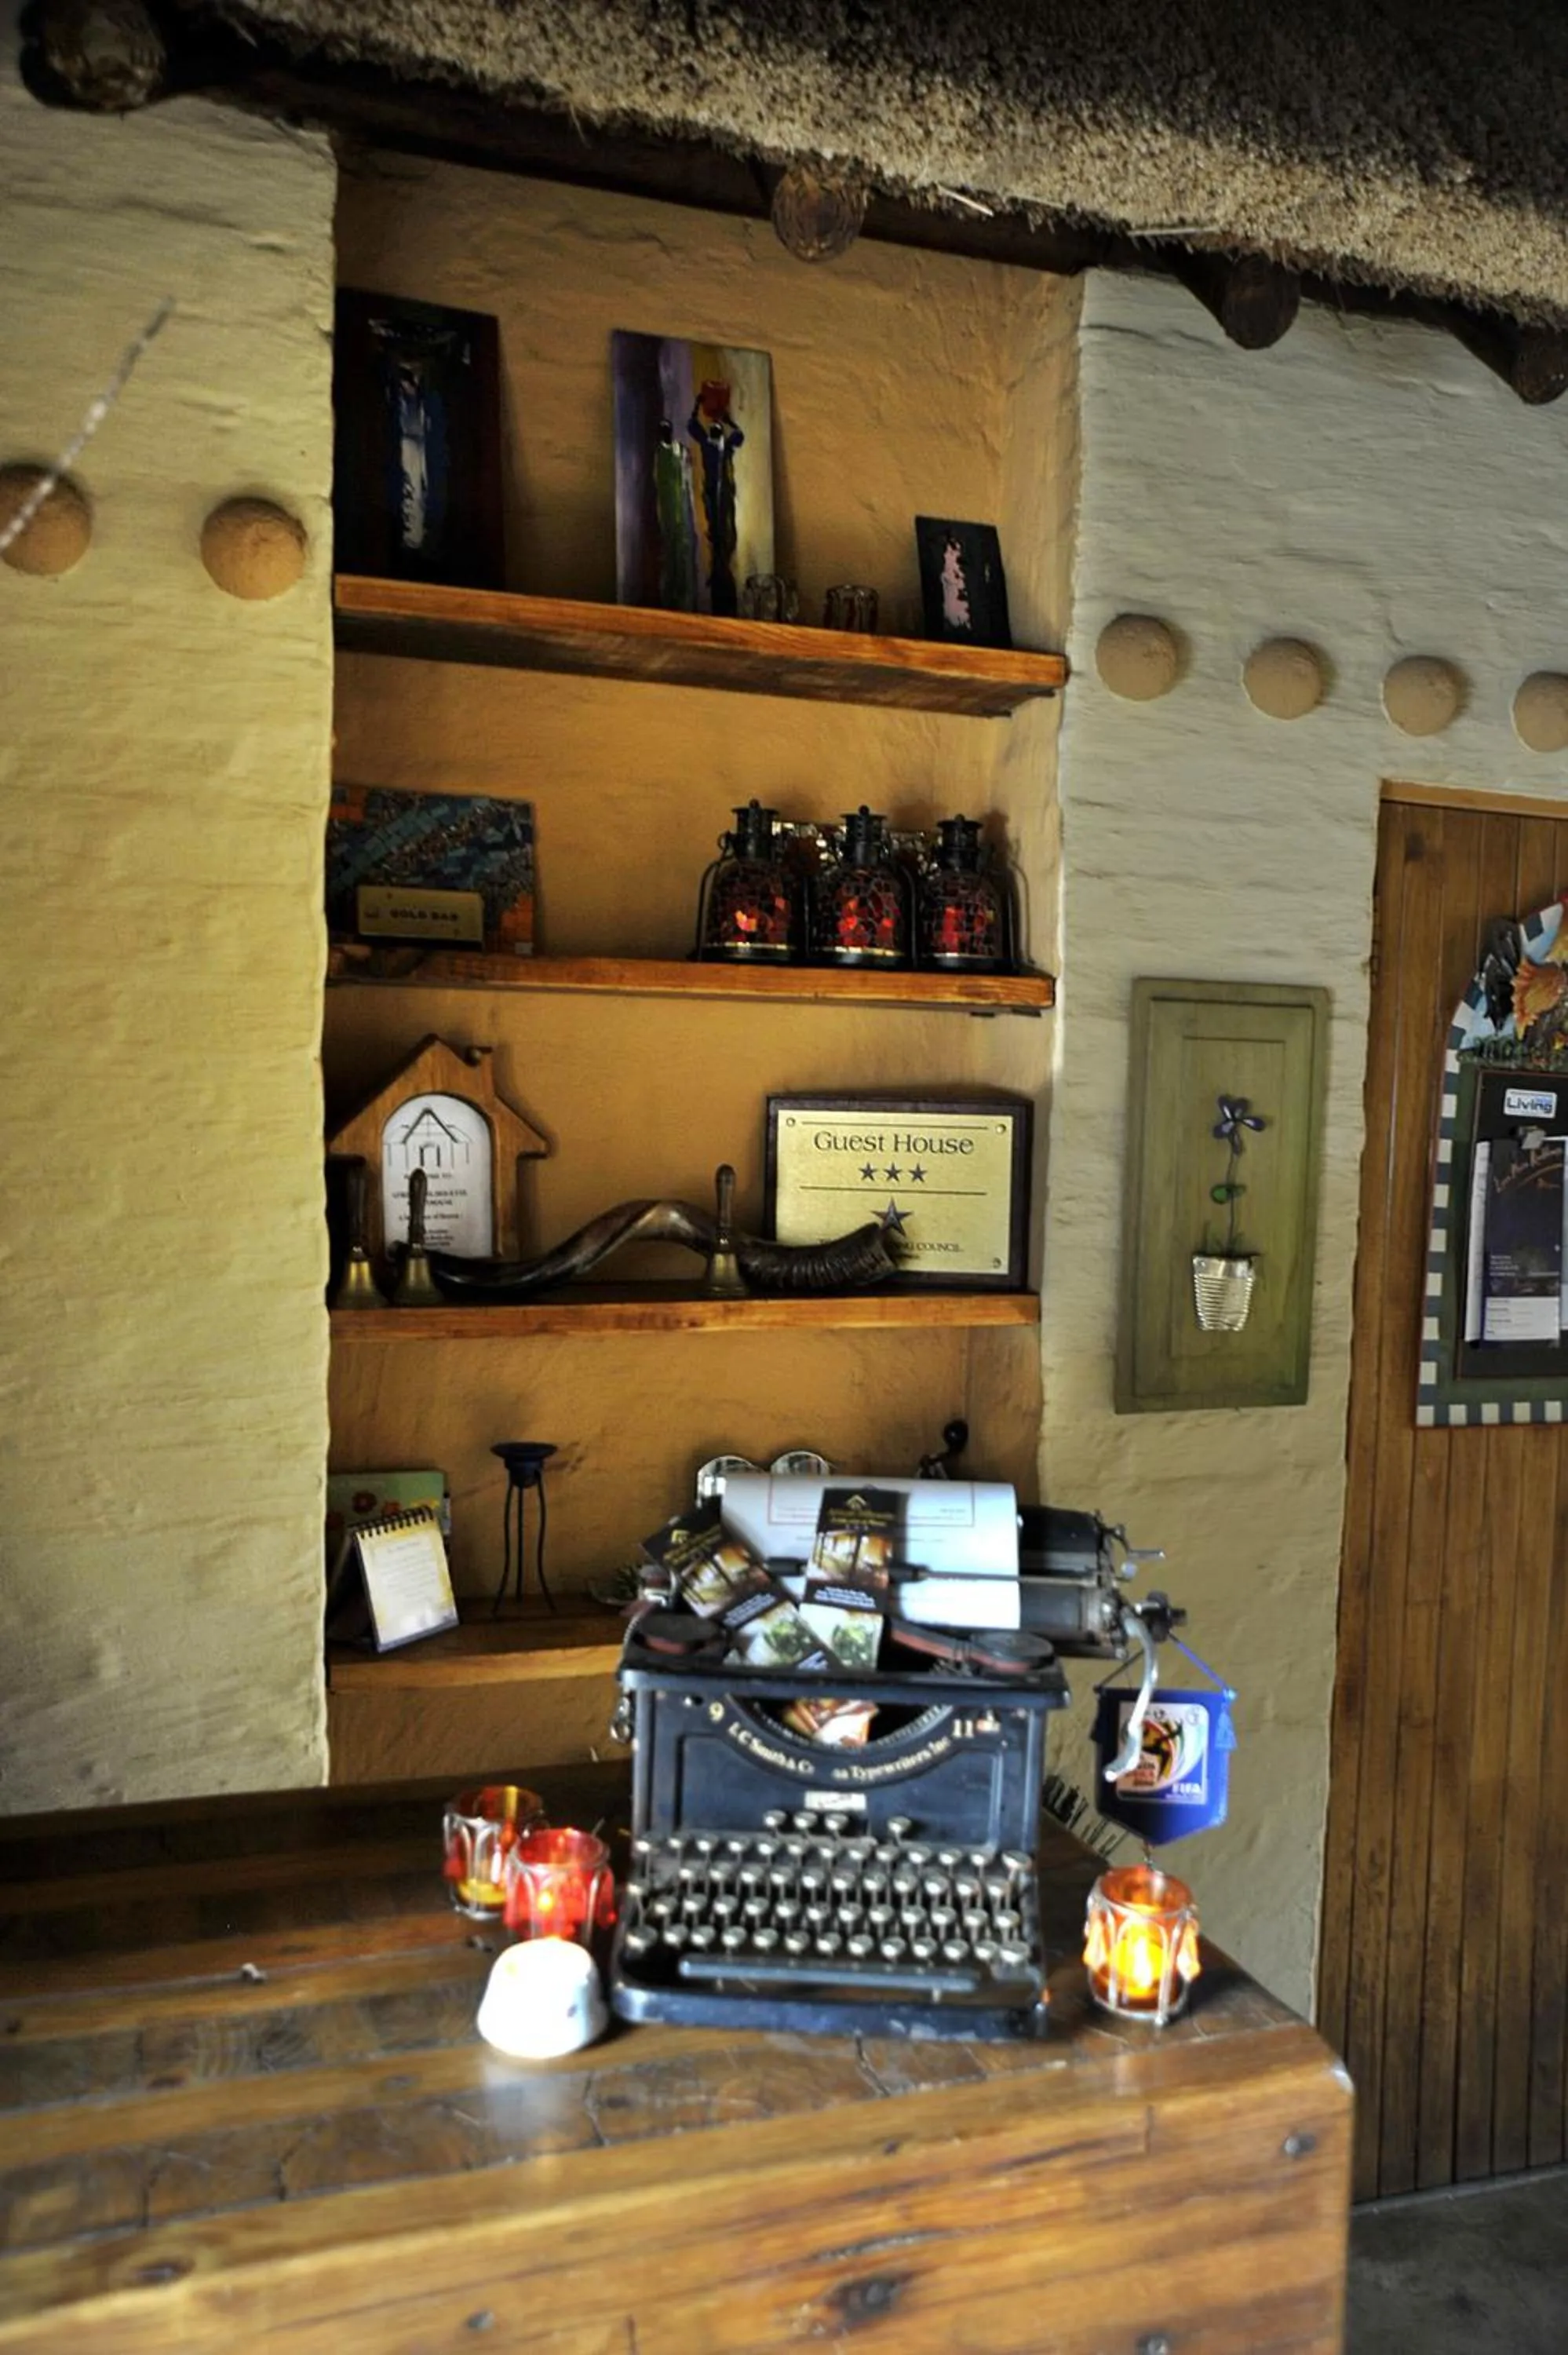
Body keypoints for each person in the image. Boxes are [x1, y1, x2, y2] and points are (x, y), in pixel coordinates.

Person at [687, 378, 746, 615]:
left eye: (717, 430)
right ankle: (717, 570)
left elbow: (740, 436)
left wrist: (727, 419)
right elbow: (692, 425)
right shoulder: (709, 445)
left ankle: (722, 570)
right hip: (712, 494)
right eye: (715, 430)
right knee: (715, 531)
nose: (714, 431)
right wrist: (697, 405)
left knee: (726, 531)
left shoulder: (724, 446)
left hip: (725, 495)